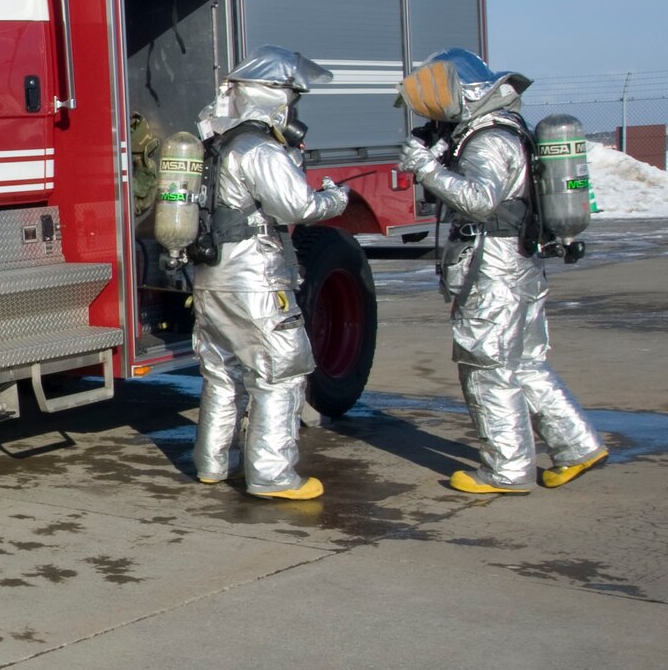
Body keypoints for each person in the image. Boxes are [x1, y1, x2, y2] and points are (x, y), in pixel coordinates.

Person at [396, 48, 607, 494]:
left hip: (493, 267)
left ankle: (505, 469)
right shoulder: (508, 129)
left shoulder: (487, 139)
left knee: (487, 365)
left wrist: (426, 168)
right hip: (520, 263)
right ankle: (576, 446)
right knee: (525, 363)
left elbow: (478, 200)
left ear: (463, 95)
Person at [190, 46, 350, 500]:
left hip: (212, 278)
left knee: (221, 373)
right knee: (279, 372)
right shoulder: (259, 147)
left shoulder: (213, 146)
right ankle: (271, 475)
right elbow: (297, 206)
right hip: (256, 280)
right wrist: (335, 198)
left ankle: (211, 464)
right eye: (291, 99)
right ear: (274, 97)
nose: (293, 109)